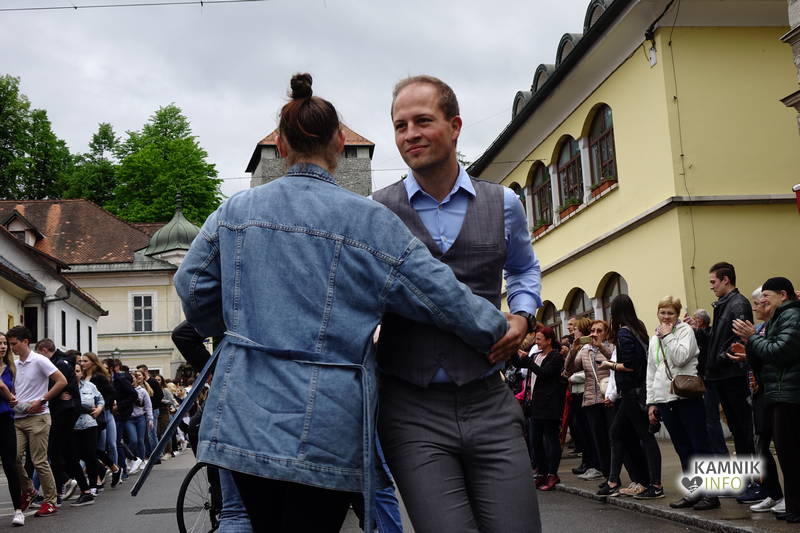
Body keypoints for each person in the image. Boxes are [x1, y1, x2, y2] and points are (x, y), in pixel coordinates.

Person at [174, 73, 514, 532]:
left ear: (280, 144)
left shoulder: (235, 211)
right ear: (339, 142)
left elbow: (192, 284)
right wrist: (498, 328)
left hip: (248, 408)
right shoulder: (370, 220)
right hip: (327, 418)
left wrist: (236, 324)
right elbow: (439, 293)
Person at [373, 74, 541, 533]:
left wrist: (522, 316)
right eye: (400, 125)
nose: (410, 134)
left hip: (489, 398)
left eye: (423, 121)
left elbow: (524, 268)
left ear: (455, 126)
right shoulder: (377, 212)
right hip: (411, 409)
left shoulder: (503, 203)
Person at [733, 277, 800, 523]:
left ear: (783, 295)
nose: (762, 301)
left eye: (766, 296)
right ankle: (793, 507)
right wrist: (750, 344)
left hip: (789, 394)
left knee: (791, 455)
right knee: (787, 456)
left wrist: (753, 338)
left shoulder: (792, 316)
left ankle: (796, 508)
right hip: (778, 393)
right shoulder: (779, 318)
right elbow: (763, 359)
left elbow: (780, 352)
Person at [646, 296, 719, 510]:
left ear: (677, 315)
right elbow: (652, 371)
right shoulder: (654, 339)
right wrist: (652, 402)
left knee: (700, 446)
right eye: (663, 312)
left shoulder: (686, 331)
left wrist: (668, 336)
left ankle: (711, 495)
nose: (666, 317)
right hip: (664, 398)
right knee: (683, 447)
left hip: (687, 396)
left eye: (670, 313)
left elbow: (680, 358)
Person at [597, 295, 663, 499]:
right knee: (619, 433)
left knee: (642, 437)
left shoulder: (624, 333)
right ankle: (617, 480)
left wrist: (609, 365)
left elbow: (628, 366)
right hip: (638, 392)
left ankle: (655, 485)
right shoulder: (638, 328)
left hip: (632, 394)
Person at [728, 288, 784, 512]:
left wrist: (752, 343)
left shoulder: (777, 327)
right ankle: (773, 493)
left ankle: (788, 497)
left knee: (783, 446)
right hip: (758, 391)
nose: (755, 307)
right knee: (761, 446)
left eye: (759, 303)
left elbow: (774, 355)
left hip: (775, 392)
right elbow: (759, 358)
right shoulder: (760, 329)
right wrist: (745, 355)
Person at [7, 326, 66, 517]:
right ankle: (30, 490)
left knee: (39, 461)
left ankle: (50, 500)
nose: (11, 347)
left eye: (14, 344)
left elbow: (62, 381)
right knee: (13, 458)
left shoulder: (40, 360)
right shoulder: (14, 364)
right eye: (9, 344)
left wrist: (42, 399)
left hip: (38, 418)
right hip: (18, 417)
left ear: (25, 342)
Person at [704, 262, 755, 460]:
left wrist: (721, 358)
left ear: (725, 280)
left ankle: (751, 475)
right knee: (737, 430)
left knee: (742, 430)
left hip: (732, 376)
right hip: (723, 375)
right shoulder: (724, 304)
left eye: (713, 282)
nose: (711, 286)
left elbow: (740, 341)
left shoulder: (738, 304)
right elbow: (719, 339)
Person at [35, 338, 82, 504]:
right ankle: (69, 488)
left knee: (55, 452)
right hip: (65, 411)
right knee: (63, 452)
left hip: (62, 411)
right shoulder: (63, 361)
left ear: (44, 350)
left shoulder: (59, 363)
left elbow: (61, 383)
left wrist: (54, 394)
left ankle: (64, 484)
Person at [565, 320, 612, 481]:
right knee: (598, 440)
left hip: (608, 398)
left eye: (599, 331)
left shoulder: (610, 347)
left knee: (613, 438)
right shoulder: (585, 350)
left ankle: (614, 475)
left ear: (606, 333)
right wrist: (573, 350)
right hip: (591, 400)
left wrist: (601, 346)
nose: (594, 334)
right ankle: (607, 475)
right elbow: (569, 370)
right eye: (592, 331)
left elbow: (614, 360)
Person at [527, 327, 565, 491]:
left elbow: (544, 373)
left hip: (550, 404)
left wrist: (527, 361)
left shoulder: (555, 356)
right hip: (536, 403)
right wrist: (514, 352)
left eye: (539, 339)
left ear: (549, 340)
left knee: (551, 439)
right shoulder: (536, 355)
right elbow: (522, 364)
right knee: (535, 440)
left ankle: (552, 473)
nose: (536, 342)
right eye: (536, 339)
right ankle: (541, 472)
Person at [79, 352, 122, 488]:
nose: (82, 363)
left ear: (93, 362)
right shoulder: (82, 376)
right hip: (84, 416)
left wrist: (100, 406)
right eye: (81, 361)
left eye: (85, 361)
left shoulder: (99, 377)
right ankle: (111, 469)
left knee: (96, 448)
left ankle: (102, 475)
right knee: (90, 449)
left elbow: (111, 393)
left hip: (98, 415)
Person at [70, 362, 104, 507]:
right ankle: (80, 486)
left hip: (89, 424)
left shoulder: (90, 386)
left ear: (82, 373)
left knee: (90, 456)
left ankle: (93, 486)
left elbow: (100, 399)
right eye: (73, 371)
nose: (75, 373)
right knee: (74, 457)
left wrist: (99, 409)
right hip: (73, 427)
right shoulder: (66, 387)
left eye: (78, 371)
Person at [0, 333, 24, 526]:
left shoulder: (11, 369)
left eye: (4, 344)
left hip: (5, 420)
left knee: (10, 465)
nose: (2, 347)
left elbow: (14, 394)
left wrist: (13, 397)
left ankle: (18, 510)